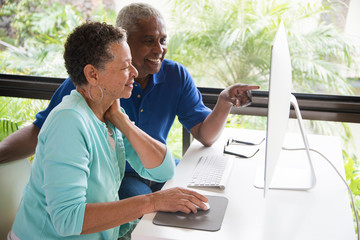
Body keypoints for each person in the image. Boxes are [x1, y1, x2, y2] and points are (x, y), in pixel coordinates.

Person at [0, 3, 259, 199]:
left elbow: (204, 135)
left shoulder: (175, 75)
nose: (159, 49)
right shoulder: (91, 83)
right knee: (150, 210)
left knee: (206, 198)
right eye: (149, 41)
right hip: (120, 177)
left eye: (162, 40)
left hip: (156, 166)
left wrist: (224, 102)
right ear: (123, 40)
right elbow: (39, 133)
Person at [9, 21, 208, 240]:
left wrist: (123, 122)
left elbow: (164, 171)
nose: (134, 72)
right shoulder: (68, 122)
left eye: (132, 63)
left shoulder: (109, 113)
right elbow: (67, 219)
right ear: (93, 75)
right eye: (125, 67)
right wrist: (152, 201)